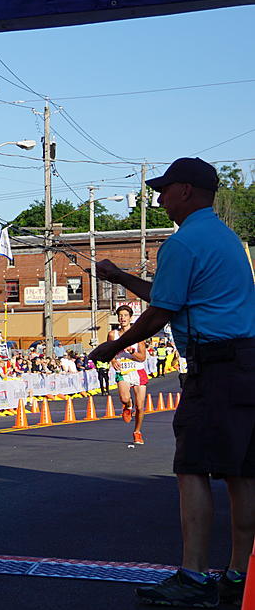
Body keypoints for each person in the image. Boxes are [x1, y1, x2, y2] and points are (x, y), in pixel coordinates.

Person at [89, 157, 255, 607]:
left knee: (192, 468)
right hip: (244, 361)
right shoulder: (225, 239)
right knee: (242, 472)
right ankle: (240, 574)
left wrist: (111, 347)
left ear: (185, 190)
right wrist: (122, 277)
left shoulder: (182, 245)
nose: (159, 199)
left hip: (215, 366)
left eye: (164, 191)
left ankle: (195, 578)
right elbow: (172, 298)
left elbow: (161, 314)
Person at [108, 305, 148, 445]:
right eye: (120, 315)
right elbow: (109, 351)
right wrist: (113, 360)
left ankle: (137, 432)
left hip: (137, 370)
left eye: (125, 315)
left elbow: (142, 358)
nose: (122, 318)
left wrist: (132, 352)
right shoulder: (113, 335)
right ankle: (127, 405)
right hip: (123, 371)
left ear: (130, 318)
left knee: (140, 406)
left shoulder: (139, 335)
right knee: (125, 398)